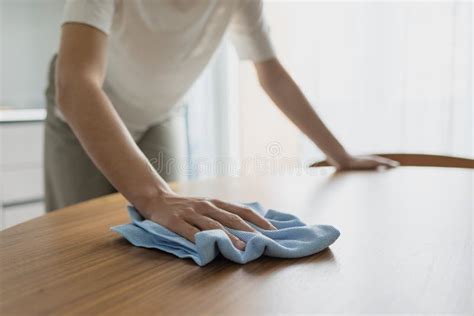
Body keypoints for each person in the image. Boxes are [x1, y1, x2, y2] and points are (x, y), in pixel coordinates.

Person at [45, 0, 398, 250]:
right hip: (84, 111)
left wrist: (340, 155)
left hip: (160, 113)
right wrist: (154, 196)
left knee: (169, 236)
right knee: (80, 243)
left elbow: (272, 75)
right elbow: (75, 85)